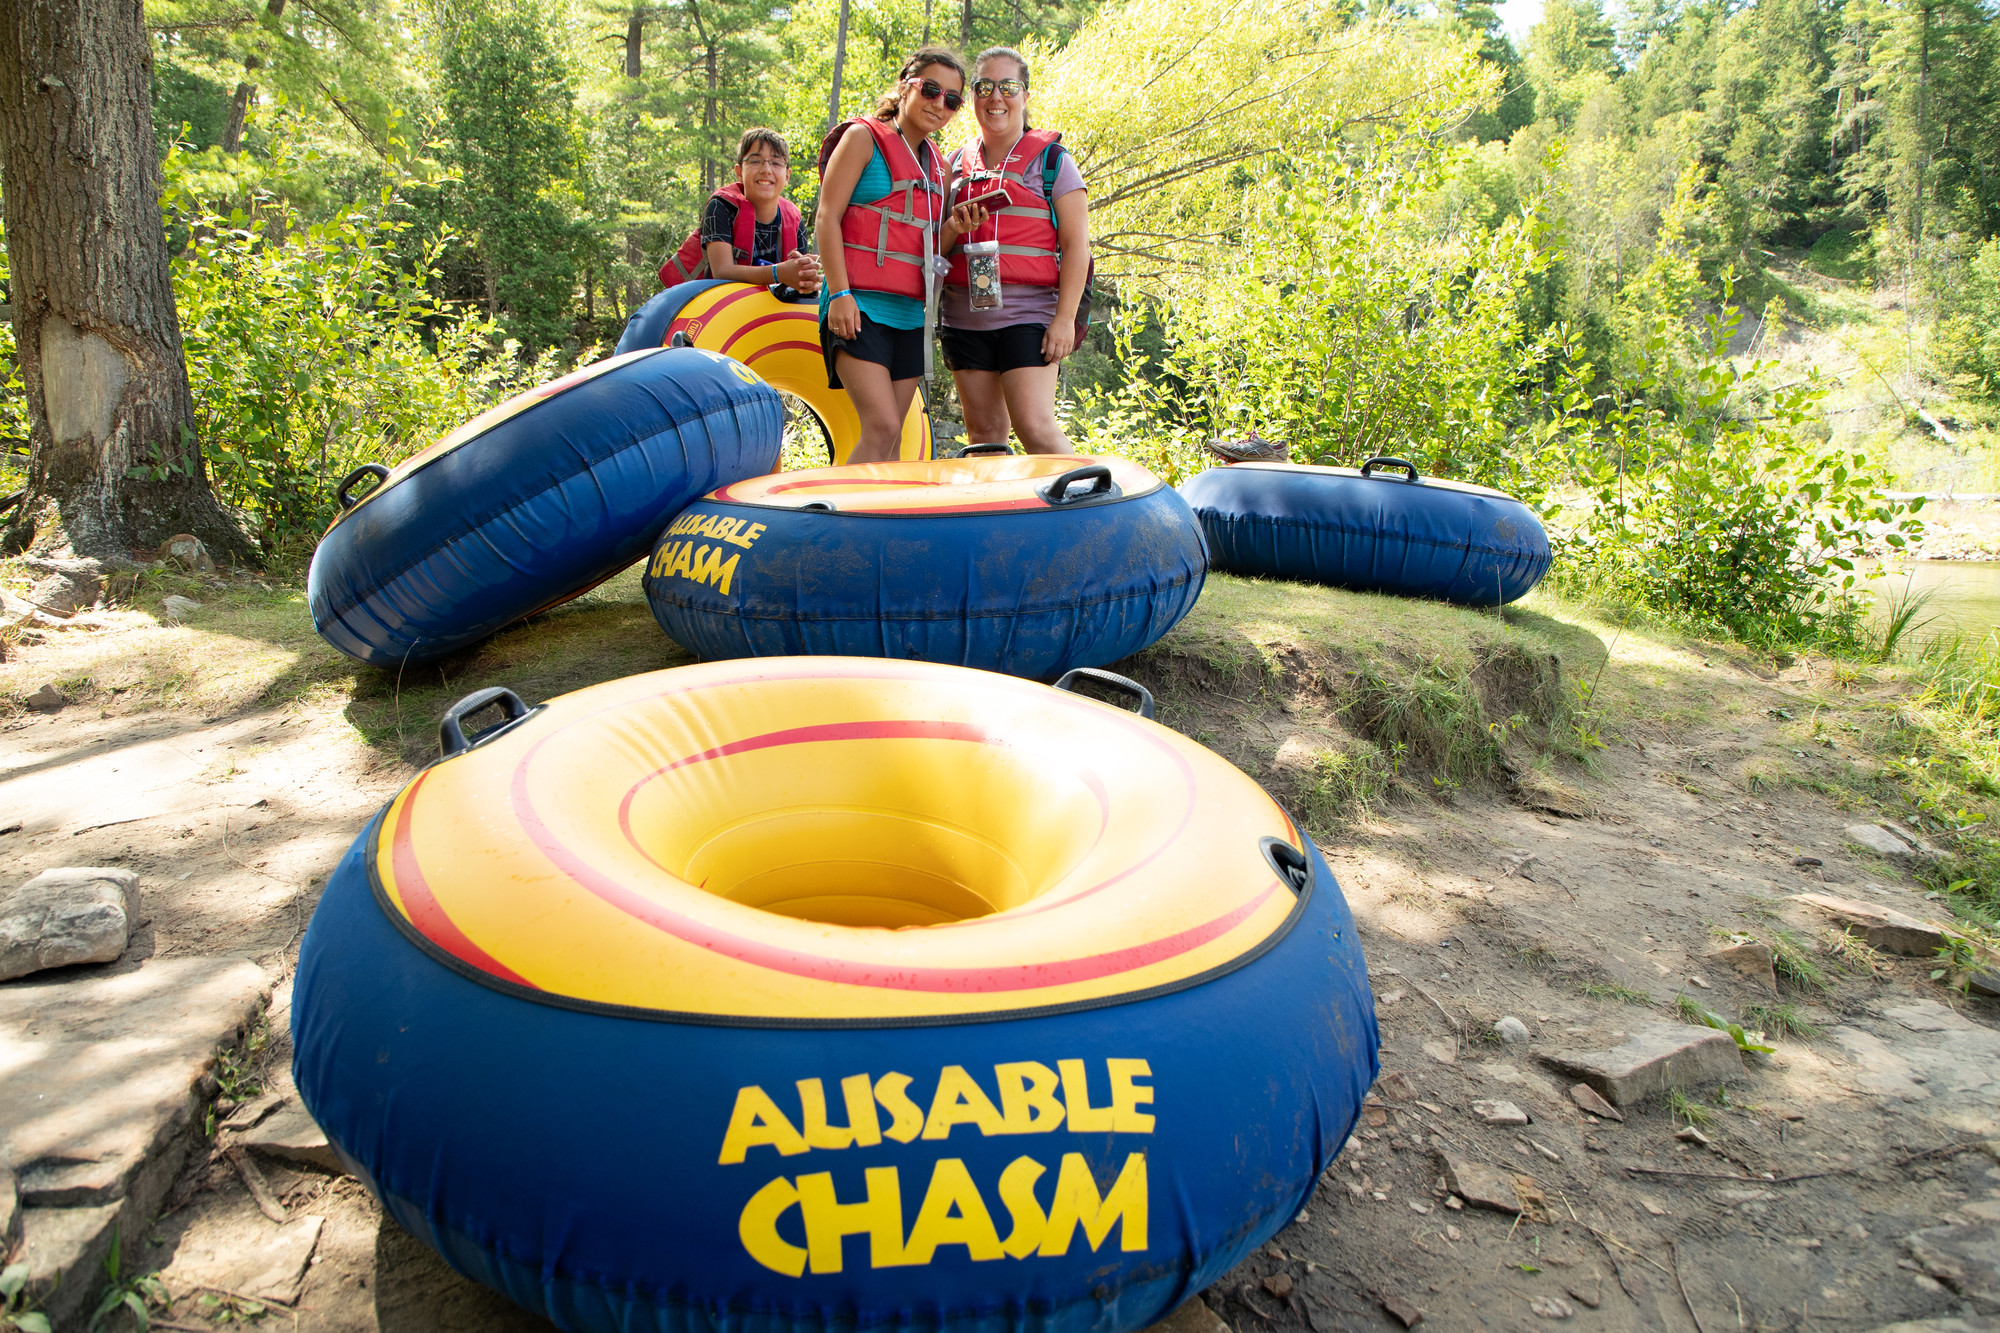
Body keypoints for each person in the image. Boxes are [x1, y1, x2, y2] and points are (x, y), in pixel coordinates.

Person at [815, 48, 987, 463]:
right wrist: (839, 294)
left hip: (911, 313)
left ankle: (873, 527)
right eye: (931, 89)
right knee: (883, 426)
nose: (939, 104)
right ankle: (832, 522)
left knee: (892, 442)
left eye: (952, 99)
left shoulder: (940, 169)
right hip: (858, 305)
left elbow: (932, 248)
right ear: (906, 85)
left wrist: (954, 228)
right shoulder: (862, 138)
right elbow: (826, 217)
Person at [937, 46, 1091, 455]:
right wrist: (954, 225)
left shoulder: (1054, 161)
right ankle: (998, 519)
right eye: (984, 86)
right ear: (972, 96)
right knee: (984, 436)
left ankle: (1090, 512)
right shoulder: (953, 165)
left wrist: (1064, 320)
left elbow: (1077, 247)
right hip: (963, 317)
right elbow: (934, 246)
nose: (995, 97)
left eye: (1008, 86)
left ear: (1025, 95)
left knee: (1036, 428)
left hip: (1030, 318)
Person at [658, 129, 821, 293]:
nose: (766, 170)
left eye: (776, 163)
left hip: (767, 311)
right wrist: (777, 273)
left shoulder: (793, 218)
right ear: (739, 172)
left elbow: (798, 281)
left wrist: (807, 277)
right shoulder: (721, 206)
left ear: (787, 176)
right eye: (755, 161)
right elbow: (722, 271)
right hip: (711, 306)